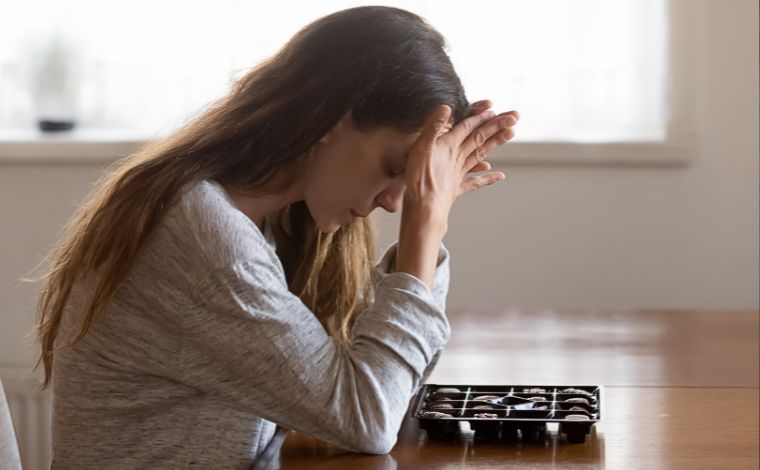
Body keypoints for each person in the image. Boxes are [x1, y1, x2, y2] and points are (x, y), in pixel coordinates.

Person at [31, 6, 518, 468]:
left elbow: (390, 385)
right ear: (332, 118)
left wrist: (425, 231)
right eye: (395, 168)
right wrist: (424, 226)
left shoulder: (273, 220)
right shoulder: (199, 231)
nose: (395, 202)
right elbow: (368, 417)